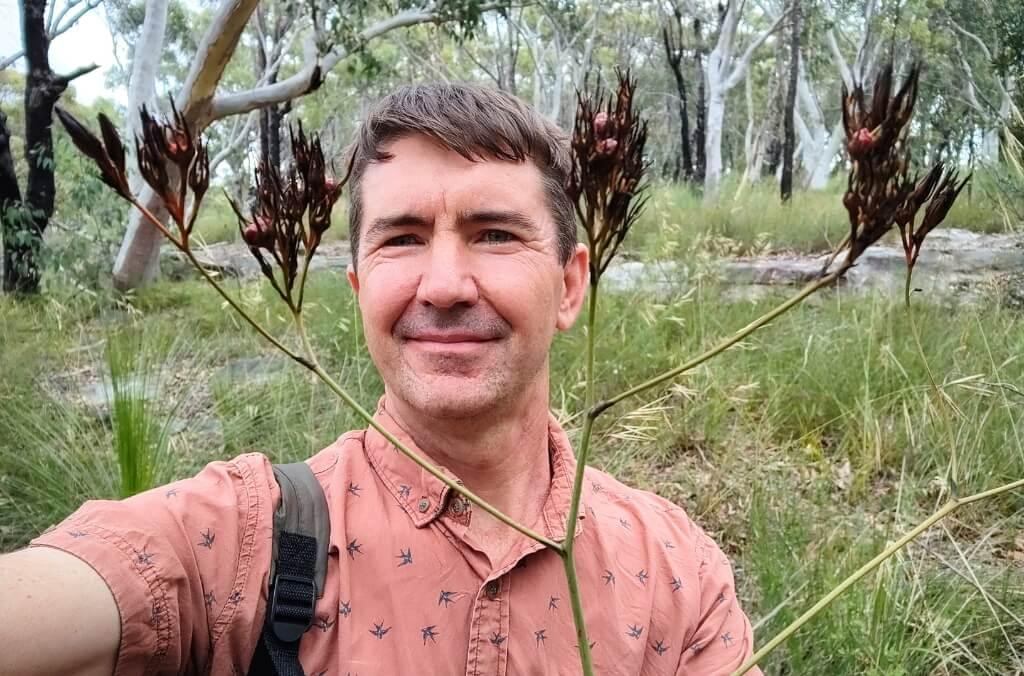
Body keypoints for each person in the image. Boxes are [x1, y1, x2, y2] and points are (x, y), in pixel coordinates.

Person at [0, 83, 760, 676]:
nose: (445, 285)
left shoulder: (676, 571)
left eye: (495, 233)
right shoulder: (250, 537)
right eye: (402, 238)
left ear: (569, 286)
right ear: (361, 288)